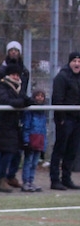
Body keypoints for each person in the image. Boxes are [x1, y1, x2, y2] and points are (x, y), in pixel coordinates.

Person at [0, 41, 31, 189]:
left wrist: (31, 101)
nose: (14, 52)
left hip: (16, 119)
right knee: (6, 151)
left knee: (17, 150)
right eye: (11, 50)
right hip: (4, 121)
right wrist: (21, 102)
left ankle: (11, 176)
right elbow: (3, 98)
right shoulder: (2, 81)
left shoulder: (22, 75)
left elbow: (23, 95)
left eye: (16, 50)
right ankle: (1, 179)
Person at [49, 52, 80, 190]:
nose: (77, 63)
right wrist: (60, 118)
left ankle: (66, 178)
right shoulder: (62, 77)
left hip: (77, 120)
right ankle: (55, 180)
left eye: (79, 61)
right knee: (59, 150)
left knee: (72, 150)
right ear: (69, 62)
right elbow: (57, 98)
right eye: (74, 60)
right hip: (65, 119)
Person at [20, 89, 49, 192]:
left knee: (35, 163)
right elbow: (26, 126)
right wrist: (26, 141)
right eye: (38, 96)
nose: (40, 98)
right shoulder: (29, 111)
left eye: (42, 96)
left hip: (39, 139)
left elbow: (44, 130)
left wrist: (44, 145)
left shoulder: (43, 113)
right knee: (28, 162)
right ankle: (26, 182)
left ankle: (31, 181)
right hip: (32, 139)